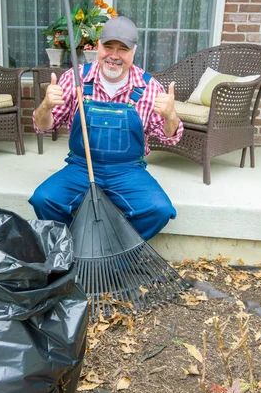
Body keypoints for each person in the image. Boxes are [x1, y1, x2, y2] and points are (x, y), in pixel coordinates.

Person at [29, 16, 183, 241]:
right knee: (44, 199)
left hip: (127, 170)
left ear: (133, 52)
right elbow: (43, 127)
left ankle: (117, 256)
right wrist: (45, 106)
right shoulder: (76, 78)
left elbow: (170, 137)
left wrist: (171, 116)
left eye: (122, 49)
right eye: (108, 47)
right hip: (81, 166)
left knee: (159, 210)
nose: (114, 55)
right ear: (97, 46)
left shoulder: (149, 87)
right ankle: (73, 251)